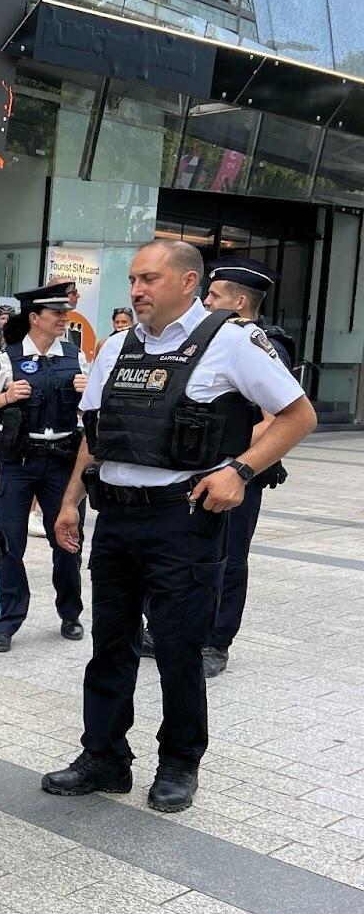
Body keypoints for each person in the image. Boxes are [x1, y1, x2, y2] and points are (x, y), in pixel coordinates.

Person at [43, 241, 316, 814]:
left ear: (189, 282)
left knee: (178, 647)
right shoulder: (117, 346)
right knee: (110, 644)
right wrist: (70, 503)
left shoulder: (232, 342)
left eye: (149, 279)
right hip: (116, 515)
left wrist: (240, 471)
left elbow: (298, 415)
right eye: (134, 280)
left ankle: (179, 763)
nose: (137, 290)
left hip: (182, 518)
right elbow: (95, 433)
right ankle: (104, 757)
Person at [201, 257, 297, 677]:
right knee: (197, 555)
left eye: (214, 296)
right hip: (204, 471)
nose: (205, 301)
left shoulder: (263, 345)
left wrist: (234, 462)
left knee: (230, 558)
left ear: (239, 301)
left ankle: (217, 642)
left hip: (240, 473)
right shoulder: (212, 339)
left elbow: (279, 418)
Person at [0, 282, 87, 652]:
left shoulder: (76, 355)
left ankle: (71, 613)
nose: (64, 318)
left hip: (63, 461)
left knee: (68, 542)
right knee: (8, 544)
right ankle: (6, 621)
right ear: (34, 318)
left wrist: (87, 391)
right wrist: (6, 398)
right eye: (56, 313)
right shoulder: (6, 357)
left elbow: (91, 412)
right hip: (17, 463)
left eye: (64, 312)